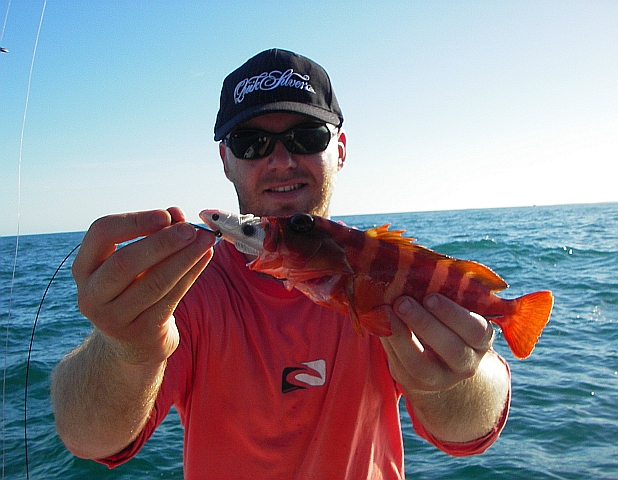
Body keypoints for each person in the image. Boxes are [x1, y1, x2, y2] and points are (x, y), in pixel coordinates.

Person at [51, 48, 511, 479]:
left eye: (306, 137)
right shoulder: (184, 290)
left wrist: (453, 379)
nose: (281, 160)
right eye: (251, 143)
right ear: (226, 161)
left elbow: (469, 431)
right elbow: (89, 438)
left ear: (341, 150)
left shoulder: (387, 272)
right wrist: (125, 349)